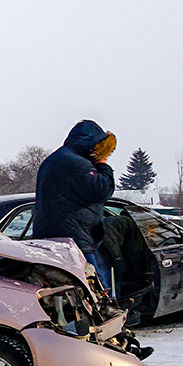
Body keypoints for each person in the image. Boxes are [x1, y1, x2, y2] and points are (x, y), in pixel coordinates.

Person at [33, 119, 118, 293]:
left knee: (67, 291)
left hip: (55, 237)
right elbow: (102, 190)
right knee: (95, 291)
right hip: (74, 240)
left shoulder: (56, 159)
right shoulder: (76, 163)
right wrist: (103, 164)